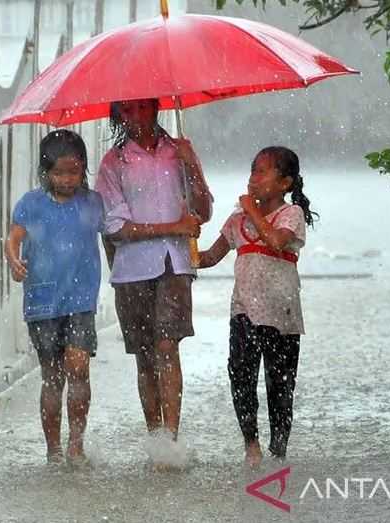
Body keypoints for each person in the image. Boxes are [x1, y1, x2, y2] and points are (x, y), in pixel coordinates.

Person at [95, 98, 212, 466]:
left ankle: (172, 439)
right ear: (119, 116)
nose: (136, 118)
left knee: (167, 346)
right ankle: (155, 437)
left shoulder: (179, 153)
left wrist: (191, 164)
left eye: (142, 108)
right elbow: (116, 227)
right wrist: (171, 227)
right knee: (145, 356)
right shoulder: (113, 164)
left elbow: (203, 211)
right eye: (127, 112)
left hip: (174, 265)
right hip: (131, 270)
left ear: (157, 107)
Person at [198, 146, 316, 468]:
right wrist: (187, 240)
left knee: (280, 384)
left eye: (263, 172)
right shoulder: (237, 221)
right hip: (244, 311)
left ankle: (279, 449)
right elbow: (208, 258)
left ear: (285, 183)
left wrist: (252, 210)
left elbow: (276, 241)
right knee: (241, 375)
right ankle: (251, 443)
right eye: (252, 171)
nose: (254, 179)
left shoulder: (291, 215)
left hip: (281, 315)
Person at [4, 129, 104, 466]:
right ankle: (53, 450)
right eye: (59, 172)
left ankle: (76, 443)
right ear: (45, 172)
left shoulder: (92, 203)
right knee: (52, 375)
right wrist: (15, 262)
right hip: (43, 300)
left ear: (84, 169)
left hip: (80, 298)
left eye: (74, 171)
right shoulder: (31, 204)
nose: (66, 179)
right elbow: (13, 239)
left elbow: (112, 237)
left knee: (78, 367)